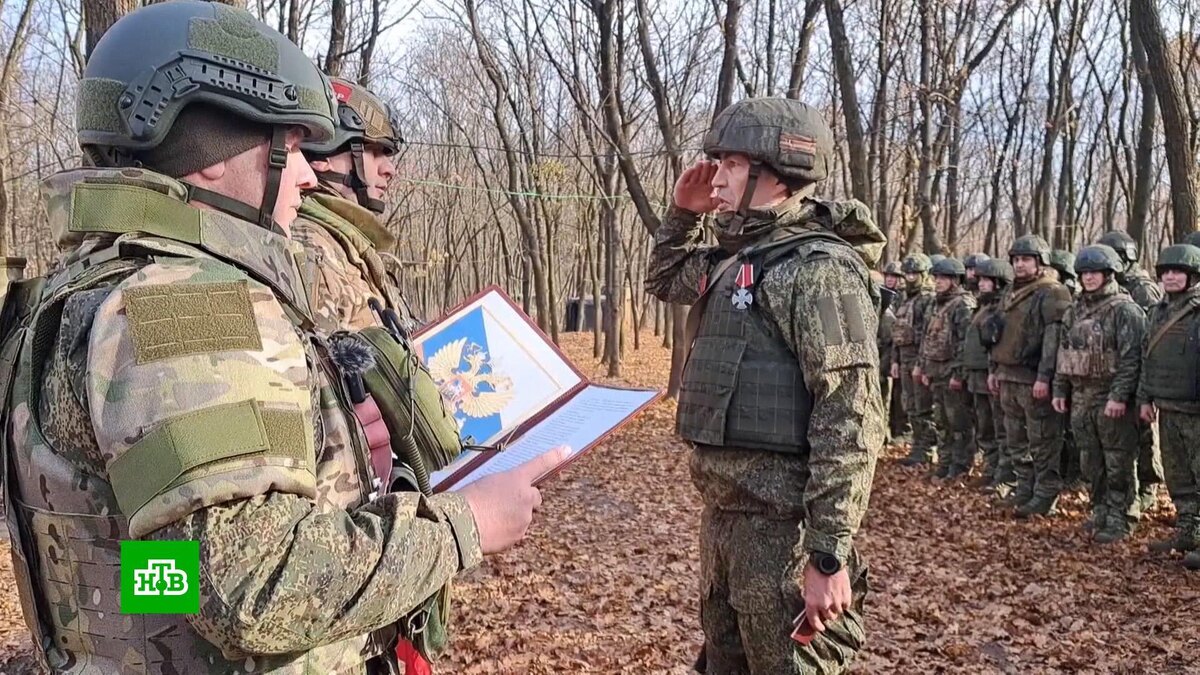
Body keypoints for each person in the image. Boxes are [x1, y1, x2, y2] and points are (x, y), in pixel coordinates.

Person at [0, 3, 557, 672]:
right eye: (288, 147)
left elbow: (148, 561)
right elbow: (251, 587)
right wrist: (468, 524)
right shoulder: (187, 305)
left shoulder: (87, 287)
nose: (307, 174)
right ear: (210, 158)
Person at [644, 97, 885, 675]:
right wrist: (683, 215)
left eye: (731, 164)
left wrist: (827, 555)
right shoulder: (738, 260)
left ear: (777, 174)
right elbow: (665, 278)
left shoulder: (819, 270)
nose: (716, 178)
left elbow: (851, 416)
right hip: (725, 520)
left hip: (785, 533)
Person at [292, 75, 417, 334]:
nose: (390, 169)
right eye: (375, 151)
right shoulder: (309, 245)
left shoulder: (346, 242)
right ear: (323, 154)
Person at [1052, 245, 1146, 542]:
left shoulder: (1125, 310)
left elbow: (1132, 359)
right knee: (1090, 460)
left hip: (1110, 397)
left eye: (1095, 272)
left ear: (1109, 274)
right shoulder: (1075, 309)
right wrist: (1060, 388)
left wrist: (1119, 396)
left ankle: (1122, 515)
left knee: (1118, 460)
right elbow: (1064, 352)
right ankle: (1101, 510)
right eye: (1084, 273)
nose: (1089, 278)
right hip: (1081, 396)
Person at [988, 234, 1072, 516]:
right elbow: (997, 334)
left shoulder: (1052, 292)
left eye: (1026, 259)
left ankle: (1045, 494)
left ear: (1040, 262)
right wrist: (995, 370)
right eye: (1016, 260)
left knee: (1043, 440)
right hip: (1008, 375)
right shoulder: (1010, 292)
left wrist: (1044, 378)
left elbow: (1053, 340)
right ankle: (1024, 488)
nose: (1020, 264)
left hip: (1033, 378)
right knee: (1016, 440)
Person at [1138, 244, 1200, 570]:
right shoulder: (1157, 312)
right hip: (1167, 406)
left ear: (1193, 276)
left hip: (1195, 410)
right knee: (1178, 477)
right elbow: (1147, 358)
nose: (1171, 277)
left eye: (1178, 272)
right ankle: (1189, 531)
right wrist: (1144, 398)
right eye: (1166, 272)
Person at [1098, 230, 1165, 511]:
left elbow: (1151, 334)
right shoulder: (1116, 286)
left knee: (1145, 436)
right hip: (1120, 372)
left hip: (1142, 371)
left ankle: (1148, 487)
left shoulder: (1142, 288)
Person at [916, 257, 976, 479]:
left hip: (951, 373)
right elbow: (926, 337)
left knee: (958, 422)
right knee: (941, 422)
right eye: (937, 278)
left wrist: (958, 374)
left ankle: (960, 465)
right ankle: (945, 462)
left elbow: (965, 343)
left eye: (944, 278)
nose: (938, 282)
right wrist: (923, 367)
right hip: (935, 371)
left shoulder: (963, 305)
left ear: (955, 280)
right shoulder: (935, 303)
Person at [964, 258, 1013, 489]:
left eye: (987, 280)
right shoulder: (982, 307)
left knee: (1000, 426)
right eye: (981, 280)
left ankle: (1004, 474)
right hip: (977, 374)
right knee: (984, 426)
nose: (981, 284)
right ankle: (992, 468)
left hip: (992, 373)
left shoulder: (1004, 308)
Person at [892, 253, 938, 468]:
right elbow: (897, 332)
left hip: (919, 359)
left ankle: (926, 449)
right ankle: (917, 447)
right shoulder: (903, 298)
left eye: (914, 274)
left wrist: (921, 364)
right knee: (909, 405)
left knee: (923, 406)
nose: (910, 278)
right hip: (904, 358)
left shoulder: (928, 299)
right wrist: (895, 360)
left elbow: (928, 335)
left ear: (924, 275)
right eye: (908, 274)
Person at [882, 261, 908, 441]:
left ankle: (901, 429)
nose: (890, 279)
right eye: (888, 276)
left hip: (899, 349)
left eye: (895, 276)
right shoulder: (881, 294)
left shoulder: (905, 299)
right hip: (884, 349)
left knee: (900, 394)